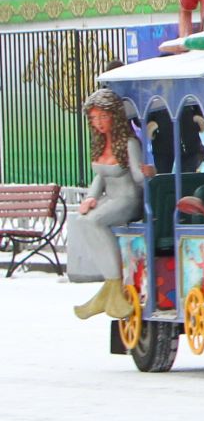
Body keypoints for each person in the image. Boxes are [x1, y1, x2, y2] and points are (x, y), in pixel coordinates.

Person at [69, 87, 151, 321]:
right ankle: (109, 285)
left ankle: (113, 286)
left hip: (128, 200)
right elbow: (100, 178)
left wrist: (149, 174)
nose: (98, 123)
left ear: (114, 116)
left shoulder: (128, 143)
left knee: (94, 221)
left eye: (103, 117)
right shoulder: (100, 144)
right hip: (109, 198)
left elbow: (137, 176)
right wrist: (90, 197)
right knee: (83, 220)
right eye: (94, 118)